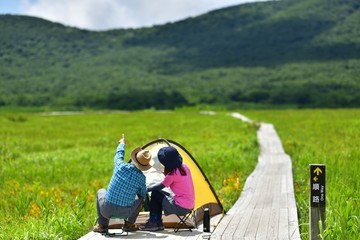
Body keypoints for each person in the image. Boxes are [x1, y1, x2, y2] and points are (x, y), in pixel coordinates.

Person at [93, 133, 154, 233]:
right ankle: (129, 224)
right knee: (140, 197)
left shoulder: (120, 165)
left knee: (101, 191)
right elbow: (142, 194)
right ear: (145, 165)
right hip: (126, 213)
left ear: (134, 159)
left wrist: (122, 143)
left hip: (106, 211)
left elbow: (119, 155)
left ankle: (102, 225)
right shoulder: (141, 178)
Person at [140, 146, 195, 231]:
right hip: (190, 205)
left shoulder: (172, 174)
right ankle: (157, 222)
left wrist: (145, 189)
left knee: (155, 193)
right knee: (159, 193)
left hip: (180, 207)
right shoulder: (185, 167)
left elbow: (159, 186)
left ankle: (154, 222)